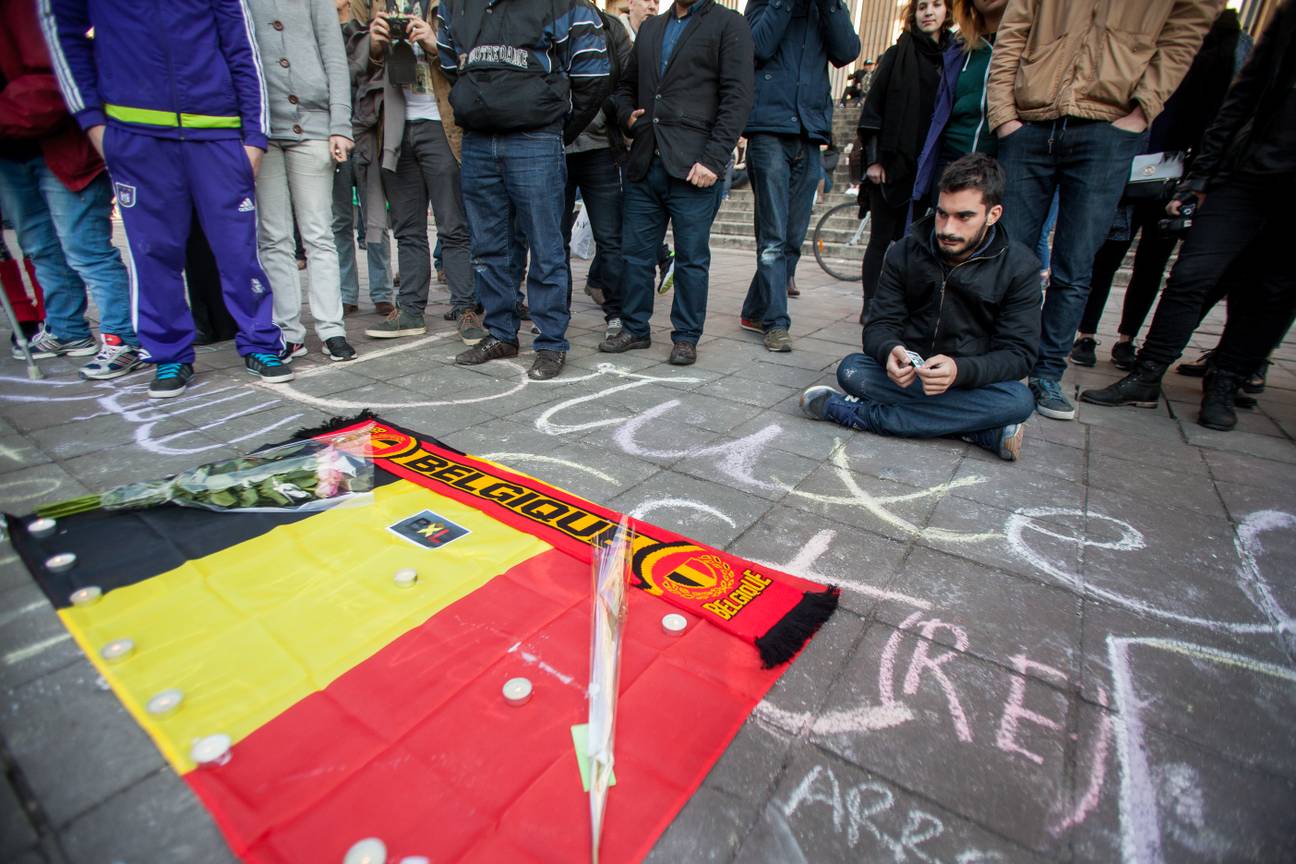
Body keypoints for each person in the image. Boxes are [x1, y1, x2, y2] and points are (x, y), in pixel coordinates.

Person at [42, 0, 294, 398]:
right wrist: (94, 123)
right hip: (137, 132)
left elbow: (243, 48)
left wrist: (254, 138)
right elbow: (63, 36)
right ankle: (169, 353)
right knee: (152, 251)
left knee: (239, 251)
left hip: (216, 131)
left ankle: (261, 342)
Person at [985, 0, 1217, 422]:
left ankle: (1046, 374)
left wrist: (1142, 110)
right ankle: (997, 363)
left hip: (1107, 124)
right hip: (1030, 119)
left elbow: (1186, 28)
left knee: (1075, 264)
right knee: (1005, 255)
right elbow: (1013, 29)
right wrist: (1004, 116)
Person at [1080, 1, 1296, 433]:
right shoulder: (1288, 18)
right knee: (1191, 276)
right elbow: (1243, 95)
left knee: (1272, 288)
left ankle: (1226, 378)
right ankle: (1147, 373)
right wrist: (1201, 177)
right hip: (1247, 172)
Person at [800, 154, 1039, 460]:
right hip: (911, 377)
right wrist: (889, 351)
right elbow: (879, 325)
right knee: (852, 369)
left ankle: (866, 415)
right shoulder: (906, 251)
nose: (947, 228)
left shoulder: (1019, 267)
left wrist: (960, 370)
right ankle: (978, 429)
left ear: (993, 214)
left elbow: (1019, 354)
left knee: (1019, 400)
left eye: (963, 216)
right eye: (941, 214)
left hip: (970, 383)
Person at [438, 0, 611, 379]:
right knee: (486, 246)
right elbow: (451, 65)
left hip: (535, 138)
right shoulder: (454, 5)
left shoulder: (565, 4)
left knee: (545, 245)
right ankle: (501, 333)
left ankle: (550, 342)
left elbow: (594, 76)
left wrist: (555, 126)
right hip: (479, 140)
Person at [1070, 8, 1249, 371]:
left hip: (1179, 171)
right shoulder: (1150, 26)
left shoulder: (1233, 43)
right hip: (1132, 160)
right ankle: (1086, 334)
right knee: (1107, 255)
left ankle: (1127, 339)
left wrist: (1199, 178)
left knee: (1151, 262)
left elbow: (1226, 115)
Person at [602, 0, 755, 366]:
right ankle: (635, 328)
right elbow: (624, 87)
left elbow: (738, 97)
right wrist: (627, 118)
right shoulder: (653, 28)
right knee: (636, 255)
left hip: (695, 167)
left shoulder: (728, 24)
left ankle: (686, 337)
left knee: (691, 259)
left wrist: (715, 159)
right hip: (645, 160)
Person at [1, 0, 142, 381]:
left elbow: (53, 74)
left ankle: (121, 337)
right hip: (12, 153)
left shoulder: (30, 11)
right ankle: (67, 329)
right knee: (39, 245)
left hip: (63, 146)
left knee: (85, 247)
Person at [357, 1, 484, 347]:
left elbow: (472, 62)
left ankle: (465, 309)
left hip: (441, 127)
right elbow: (359, 69)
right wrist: (376, 45)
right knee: (407, 229)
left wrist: (433, 43)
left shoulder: (450, 8)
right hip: (394, 127)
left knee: (453, 225)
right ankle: (410, 310)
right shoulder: (380, 7)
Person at [737, 0, 860, 353]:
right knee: (773, 235)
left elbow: (846, 51)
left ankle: (753, 310)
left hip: (810, 131)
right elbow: (757, 46)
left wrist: (831, 5)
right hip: (768, 129)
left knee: (792, 237)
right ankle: (776, 323)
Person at [247, 0, 358, 363]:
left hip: (313, 126)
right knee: (273, 235)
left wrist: (340, 125)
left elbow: (335, 59)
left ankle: (332, 329)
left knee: (319, 233)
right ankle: (287, 330)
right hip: (262, 129)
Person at [856, 0, 950, 323]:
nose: (928, 12)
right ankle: (871, 305)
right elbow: (874, 108)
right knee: (881, 239)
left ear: (947, 11)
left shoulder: (953, 58)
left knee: (918, 242)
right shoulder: (898, 54)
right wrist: (874, 160)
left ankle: (907, 308)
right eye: (922, 6)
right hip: (892, 164)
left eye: (936, 5)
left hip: (929, 165)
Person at [563, 6, 633, 343]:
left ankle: (617, 314)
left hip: (601, 147)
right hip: (553, 146)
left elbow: (627, 81)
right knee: (550, 240)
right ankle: (555, 314)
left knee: (611, 237)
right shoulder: (546, 19)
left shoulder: (610, 27)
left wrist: (608, 112)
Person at [334, 0, 395, 319]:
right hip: (332, 135)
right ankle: (346, 293)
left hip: (367, 134)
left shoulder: (367, 31)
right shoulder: (324, 35)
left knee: (375, 219)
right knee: (339, 220)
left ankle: (382, 291)